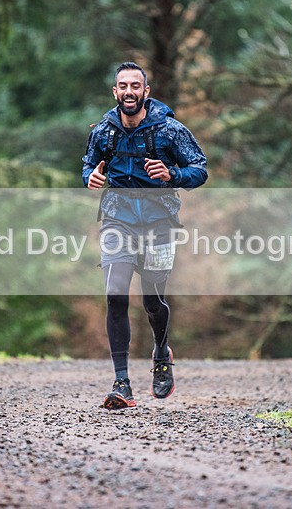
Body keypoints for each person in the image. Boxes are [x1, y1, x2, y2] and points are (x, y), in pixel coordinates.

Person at [82, 62, 208, 409]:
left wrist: (172, 174)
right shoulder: (103, 131)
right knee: (115, 294)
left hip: (159, 222)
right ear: (115, 91)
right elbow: (88, 164)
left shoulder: (170, 130)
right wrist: (90, 177)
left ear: (145, 92)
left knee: (153, 302)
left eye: (135, 86)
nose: (129, 91)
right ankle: (121, 383)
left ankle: (161, 353)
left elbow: (200, 170)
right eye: (123, 86)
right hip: (117, 219)